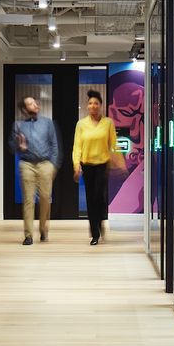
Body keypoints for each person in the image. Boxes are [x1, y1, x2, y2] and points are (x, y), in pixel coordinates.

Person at [72, 89, 120, 246]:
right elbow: (77, 146)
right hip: (87, 166)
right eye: (90, 103)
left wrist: (121, 165)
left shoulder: (108, 123)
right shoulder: (81, 124)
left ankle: (99, 223)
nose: (93, 106)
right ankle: (95, 234)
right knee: (90, 199)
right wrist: (76, 165)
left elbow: (114, 144)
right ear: (87, 106)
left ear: (100, 106)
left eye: (96, 103)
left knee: (99, 197)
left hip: (102, 165)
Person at [11, 95, 59, 245]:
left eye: (35, 101)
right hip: (27, 165)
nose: (35, 104)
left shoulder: (47, 123)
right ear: (25, 109)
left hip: (45, 164)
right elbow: (11, 146)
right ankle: (28, 235)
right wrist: (19, 145)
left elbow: (54, 145)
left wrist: (53, 165)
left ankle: (43, 230)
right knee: (28, 200)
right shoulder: (18, 125)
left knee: (45, 198)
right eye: (31, 103)